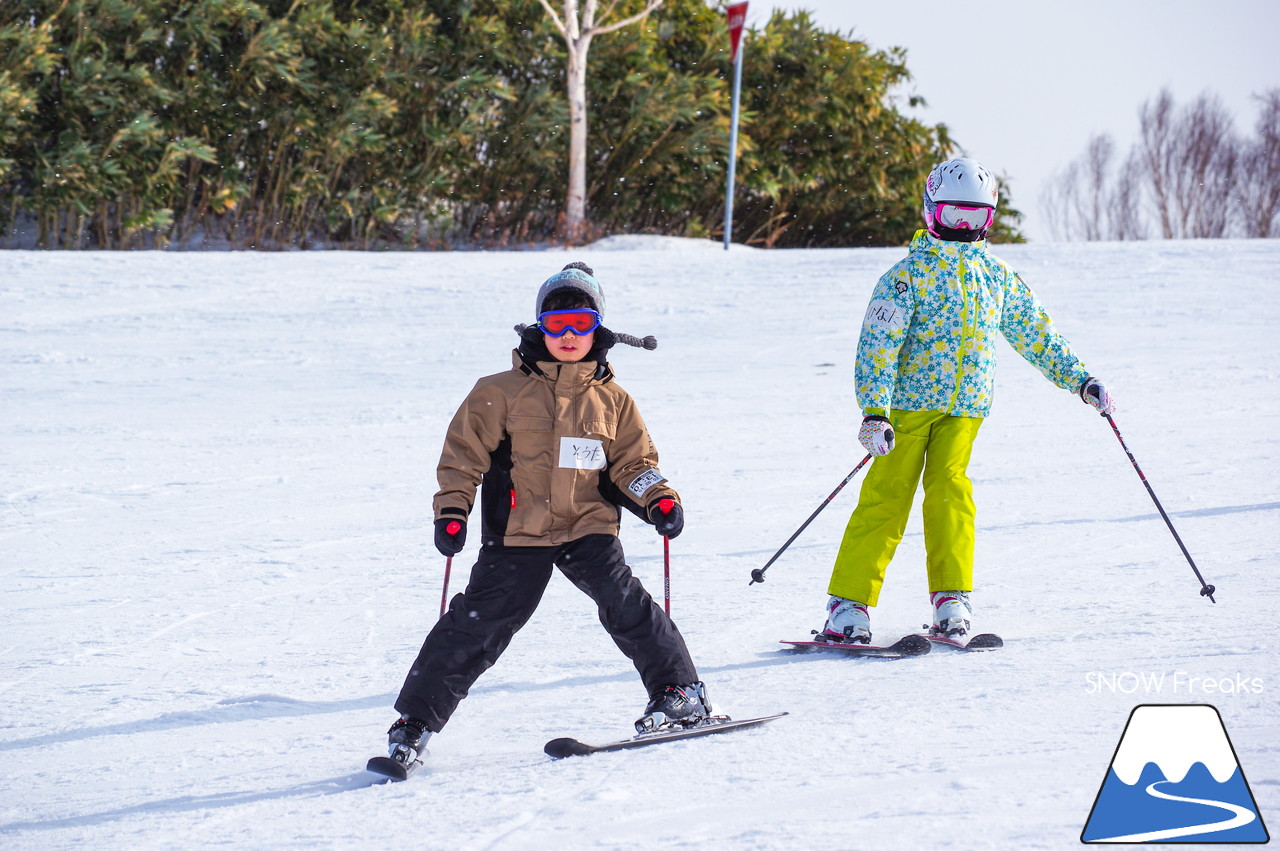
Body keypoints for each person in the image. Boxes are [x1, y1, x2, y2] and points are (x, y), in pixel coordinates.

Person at [384, 262, 711, 767]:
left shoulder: (614, 400)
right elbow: (462, 458)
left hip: (587, 525)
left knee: (624, 603)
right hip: (519, 530)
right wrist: (452, 512)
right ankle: (415, 723)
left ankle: (681, 692)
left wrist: (658, 499)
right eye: (556, 324)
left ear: (597, 327)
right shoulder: (499, 391)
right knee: (478, 622)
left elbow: (634, 463)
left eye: (580, 323)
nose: (568, 335)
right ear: (539, 326)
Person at [821, 157, 1114, 644]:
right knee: (886, 500)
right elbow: (877, 345)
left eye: (975, 219)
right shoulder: (906, 277)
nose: (963, 228)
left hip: (966, 410)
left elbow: (1035, 334)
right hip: (906, 410)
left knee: (951, 498)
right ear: (931, 211)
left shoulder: (996, 277)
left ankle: (950, 598)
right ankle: (848, 604)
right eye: (955, 216)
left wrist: (1080, 380)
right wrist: (874, 411)